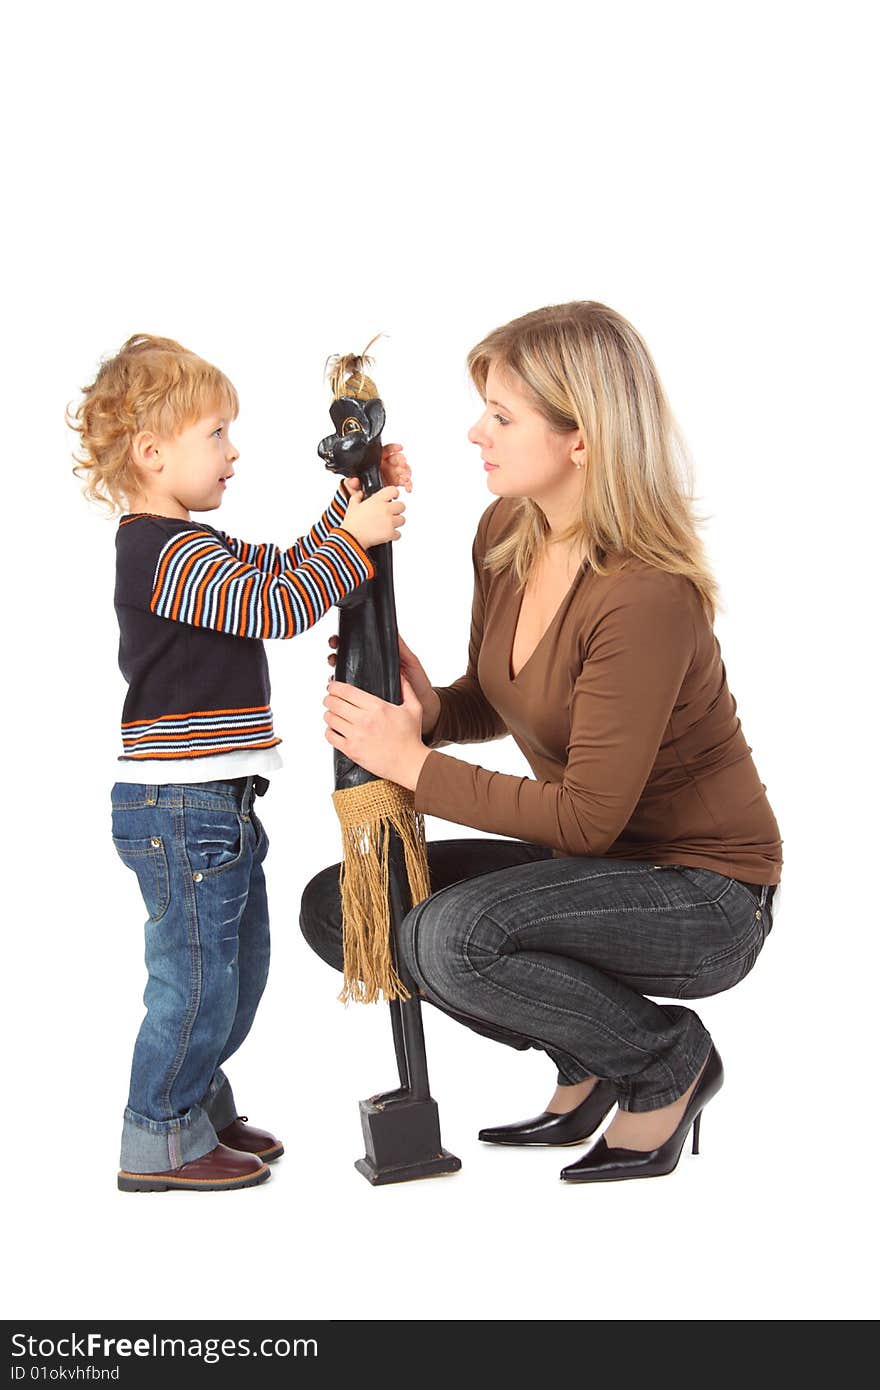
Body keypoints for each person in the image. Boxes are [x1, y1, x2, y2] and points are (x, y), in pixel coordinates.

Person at [300, 301, 783, 1184]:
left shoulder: (644, 595)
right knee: (347, 905)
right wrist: (427, 707)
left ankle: (665, 1060)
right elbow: (502, 696)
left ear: (583, 441)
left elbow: (590, 816)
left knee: (452, 939)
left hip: (704, 894)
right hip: (588, 869)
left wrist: (411, 763)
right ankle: (588, 1052)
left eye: (502, 414)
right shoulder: (509, 533)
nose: (474, 429)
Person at [69, 333, 410, 1191]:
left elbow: (294, 566)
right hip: (180, 808)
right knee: (192, 977)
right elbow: (280, 603)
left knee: (235, 968)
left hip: (217, 802)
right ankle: (159, 1135)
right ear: (153, 452)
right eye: (216, 434)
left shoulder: (197, 543)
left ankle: (197, 1102)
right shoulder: (158, 552)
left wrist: (350, 507)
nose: (234, 451)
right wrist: (358, 539)